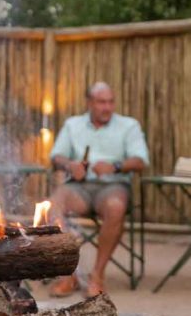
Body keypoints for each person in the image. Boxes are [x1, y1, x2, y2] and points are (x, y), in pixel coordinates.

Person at [47, 82, 149, 298]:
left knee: (115, 206)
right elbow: (56, 156)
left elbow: (140, 161)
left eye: (111, 102)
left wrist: (116, 166)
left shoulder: (128, 126)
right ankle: (69, 273)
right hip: (79, 186)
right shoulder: (73, 125)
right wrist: (70, 166)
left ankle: (97, 275)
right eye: (102, 102)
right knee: (54, 204)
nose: (107, 107)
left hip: (113, 185)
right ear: (90, 103)